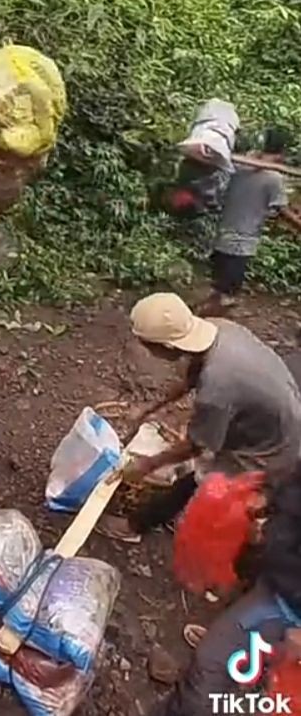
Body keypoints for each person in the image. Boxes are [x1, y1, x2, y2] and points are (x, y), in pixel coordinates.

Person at [99, 293, 301, 543]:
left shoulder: (217, 390)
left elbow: (197, 445)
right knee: (207, 467)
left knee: (206, 478)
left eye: (147, 345)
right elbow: (192, 378)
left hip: (272, 445)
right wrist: (149, 408)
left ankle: (136, 526)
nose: (147, 351)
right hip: (273, 415)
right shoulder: (219, 328)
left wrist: (147, 465)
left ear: (169, 347)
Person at [149, 464, 301, 716]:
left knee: (211, 675)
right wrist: (270, 497)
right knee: (215, 663)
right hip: (281, 578)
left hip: (289, 607)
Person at [205, 127, 301, 310]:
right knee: (226, 298)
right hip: (241, 245)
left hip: (220, 239)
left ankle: (199, 324)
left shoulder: (238, 166)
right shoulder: (274, 178)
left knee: (219, 291)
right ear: (283, 151)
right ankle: (200, 327)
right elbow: (282, 211)